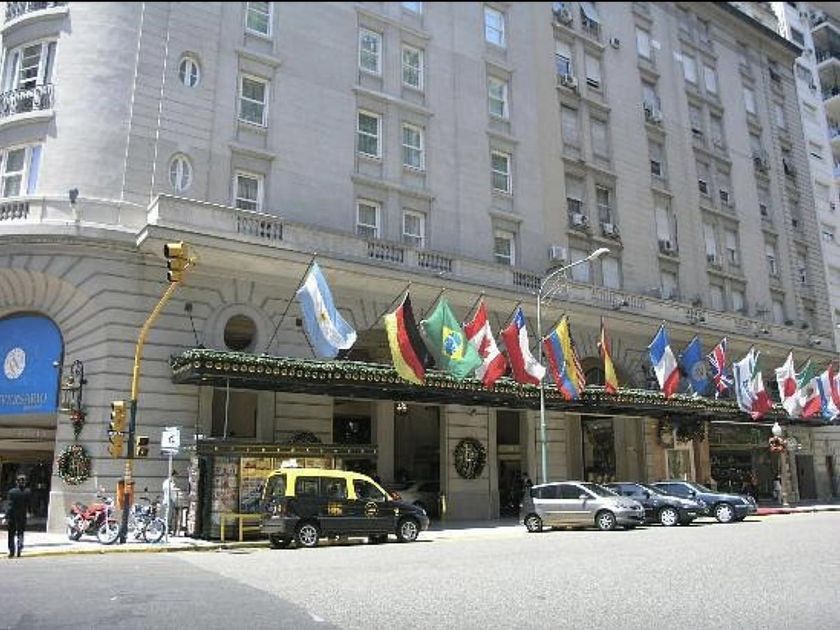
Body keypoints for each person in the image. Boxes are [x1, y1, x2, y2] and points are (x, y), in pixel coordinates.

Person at [6, 474, 31, 558]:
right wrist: (29, 512)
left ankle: (11, 551)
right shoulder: (27, 492)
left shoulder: (12, 492)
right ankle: (19, 549)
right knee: (20, 533)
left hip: (12, 516)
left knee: (11, 534)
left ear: (16, 482)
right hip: (22, 516)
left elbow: (10, 505)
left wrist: (6, 516)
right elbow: (29, 504)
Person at [162, 470, 180, 536]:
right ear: (172, 475)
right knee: (168, 515)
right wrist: (177, 489)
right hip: (169, 500)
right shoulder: (168, 482)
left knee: (170, 515)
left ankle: (168, 529)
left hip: (171, 500)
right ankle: (166, 529)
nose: (176, 478)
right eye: (175, 476)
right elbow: (170, 490)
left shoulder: (170, 482)